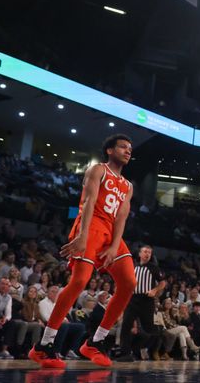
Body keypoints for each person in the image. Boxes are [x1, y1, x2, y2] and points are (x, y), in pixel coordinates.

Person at [30, 135, 137, 369]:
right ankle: (44, 345)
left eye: (130, 149)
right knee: (79, 281)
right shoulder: (98, 170)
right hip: (91, 226)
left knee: (129, 282)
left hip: (110, 231)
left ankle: (95, 342)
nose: (128, 151)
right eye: (122, 147)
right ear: (109, 150)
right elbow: (88, 202)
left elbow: (121, 217)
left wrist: (114, 244)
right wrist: (82, 235)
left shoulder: (128, 186)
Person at [116, 244, 166, 362]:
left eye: (149, 252)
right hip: (132, 299)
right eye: (145, 251)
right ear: (139, 254)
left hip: (146, 300)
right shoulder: (133, 267)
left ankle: (144, 349)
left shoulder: (153, 267)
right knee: (125, 326)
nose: (147, 254)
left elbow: (163, 283)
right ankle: (125, 354)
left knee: (149, 330)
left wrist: (154, 290)